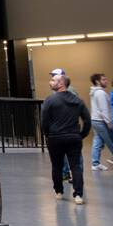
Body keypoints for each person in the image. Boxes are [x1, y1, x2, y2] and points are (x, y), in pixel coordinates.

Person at [40, 74, 90, 203]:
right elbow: (87, 120)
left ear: (61, 83)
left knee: (57, 166)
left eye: (53, 80)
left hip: (55, 138)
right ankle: (78, 195)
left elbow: (44, 121)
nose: (50, 82)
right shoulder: (78, 101)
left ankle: (59, 192)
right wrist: (81, 134)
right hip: (74, 137)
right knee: (76, 166)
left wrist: (47, 134)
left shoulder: (50, 100)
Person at [88, 74, 113, 171]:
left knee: (98, 142)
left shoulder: (95, 92)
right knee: (112, 143)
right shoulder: (100, 93)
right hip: (101, 122)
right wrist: (109, 122)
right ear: (97, 82)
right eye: (103, 79)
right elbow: (103, 109)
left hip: (96, 120)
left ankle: (95, 163)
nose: (106, 81)